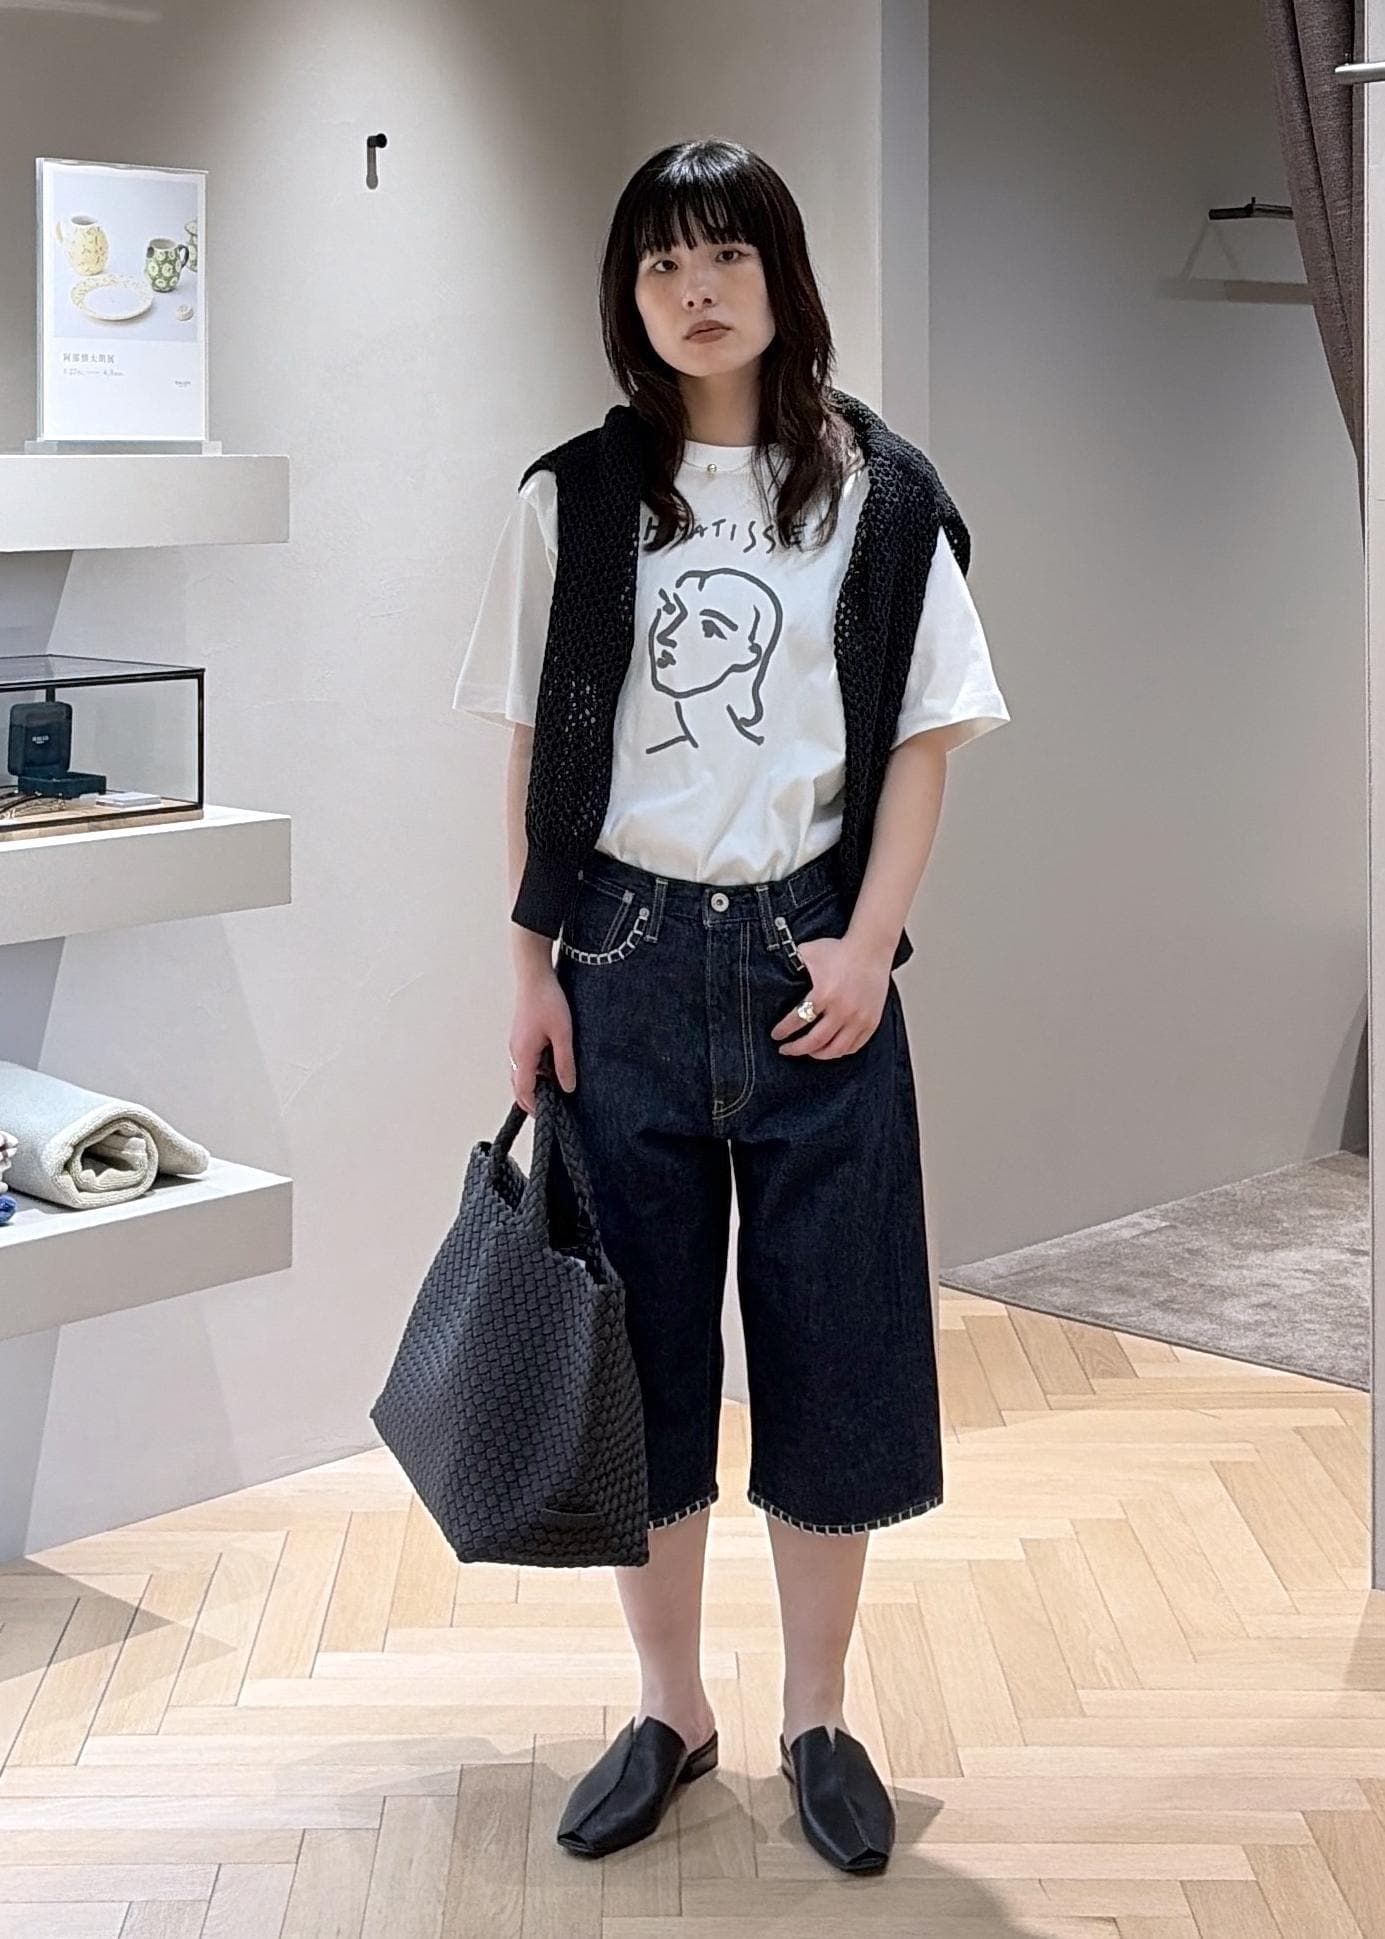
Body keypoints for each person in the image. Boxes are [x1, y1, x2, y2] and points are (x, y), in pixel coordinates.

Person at [452, 138, 1010, 1875]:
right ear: (625, 296)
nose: (693, 292)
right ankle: (669, 1706)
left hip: (806, 973)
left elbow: (923, 743)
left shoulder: (882, 497)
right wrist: (529, 970)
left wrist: (864, 947)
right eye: (658, 265)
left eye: (724, 257)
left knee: (835, 1345)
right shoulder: (571, 500)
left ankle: (818, 1715)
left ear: (780, 274)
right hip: (617, 965)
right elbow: (536, 752)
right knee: (640, 1360)